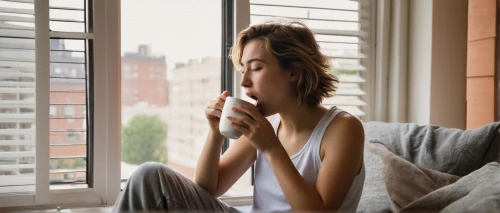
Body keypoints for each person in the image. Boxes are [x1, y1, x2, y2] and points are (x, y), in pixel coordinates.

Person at [113, 19, 365, 213]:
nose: (244, 81)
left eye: (256, 68)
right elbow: (209, 188)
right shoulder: (267, 125)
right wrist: (214, 134)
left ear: (294, 73)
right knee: (150, 175)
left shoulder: (343, 128)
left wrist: (271, 148)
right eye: (243, 69)